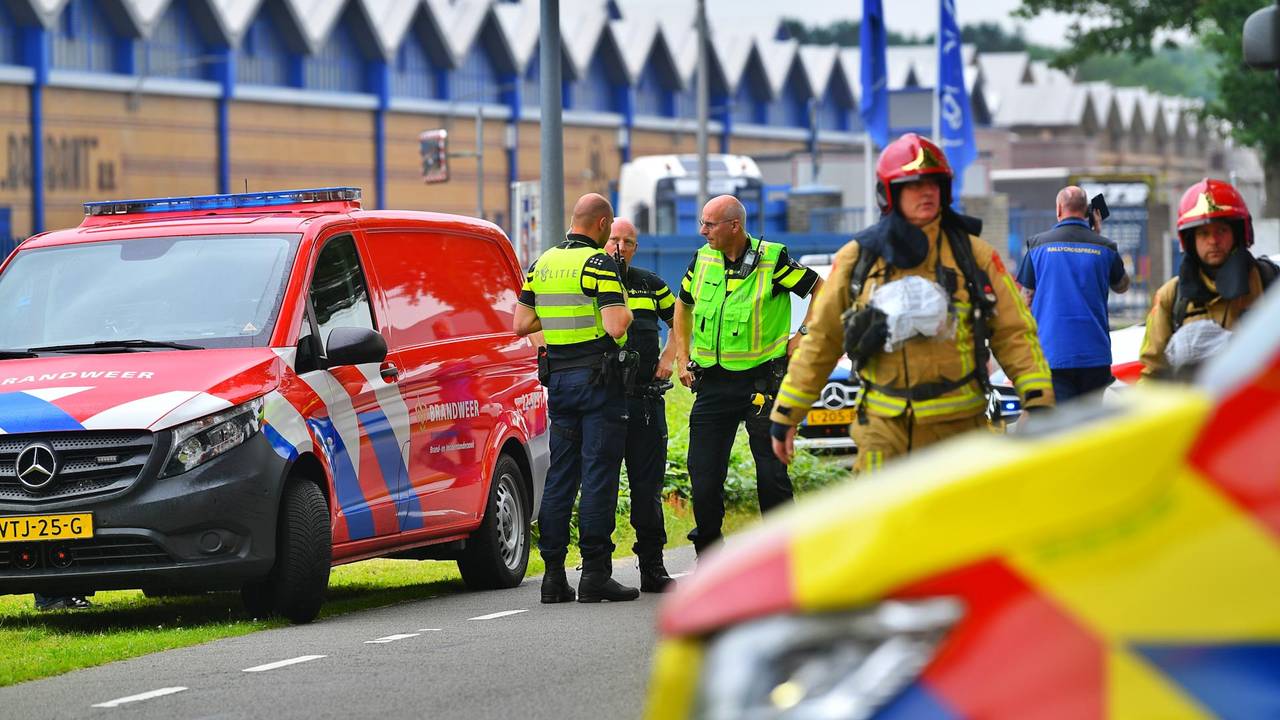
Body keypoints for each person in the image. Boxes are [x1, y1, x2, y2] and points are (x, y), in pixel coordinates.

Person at [769, 133, 1054, 473]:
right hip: (884, 435)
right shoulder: (858, 259)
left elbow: (1014, 332)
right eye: (914, 185)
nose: (927, 192)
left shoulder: (973, 255)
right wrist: (787, 413)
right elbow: (822, 340)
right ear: (889, 193)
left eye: (934, 184)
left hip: (960, 432)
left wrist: (1037, 401)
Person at [672, 195, 822, 556]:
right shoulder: (703, 258)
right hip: (712, 385)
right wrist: (681, 355)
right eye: (702, 222)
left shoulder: (773, 260)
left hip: (762, 384)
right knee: (703, 476)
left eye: (710, 224)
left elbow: (823, 290)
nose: (702, 230)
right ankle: (709, 553)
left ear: (734, 226)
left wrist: (802, 336)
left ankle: (784, 555)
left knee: (771, 476)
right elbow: (683, 303)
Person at [514, 193, 639, 604]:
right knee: (598, 475)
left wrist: (558, 327)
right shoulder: (598, 263)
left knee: (560, 477)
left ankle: (552, 576)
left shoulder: (541, 264)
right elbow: (617, 324)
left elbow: (522, 324)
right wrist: (625, 312)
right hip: (599, 384)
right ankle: (596, 575)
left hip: (560, 384)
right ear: (603, 224)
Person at [1140, 178, 1277, 380]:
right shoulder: (1171, 296)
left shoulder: (1270, 282)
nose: (1213, 241)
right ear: (1190, 240)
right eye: (1204, 233)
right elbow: (1153, 372)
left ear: (1237, 234)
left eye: (1221, 230)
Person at [604, 218, 676, 591]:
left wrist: (670, 355)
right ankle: (596, 571)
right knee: (601, 487)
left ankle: (653, 567)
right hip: (604, 402)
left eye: (627, 241)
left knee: (647, 489)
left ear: (635, 247)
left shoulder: (651, 284)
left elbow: (680, 318)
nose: (619, 246)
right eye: (614, 239)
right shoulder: (590, 282)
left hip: (646, 401)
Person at [1015, 186, 1130, 403]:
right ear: (1088, 210)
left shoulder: (1038, 245)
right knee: (1090, 425)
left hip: (1053, 354)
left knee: (1061, 427)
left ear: (1059, 209)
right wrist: (1098, 236)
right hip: (1095, 356)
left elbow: (1025, 300)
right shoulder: (1105, 248)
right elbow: (1122, 286)